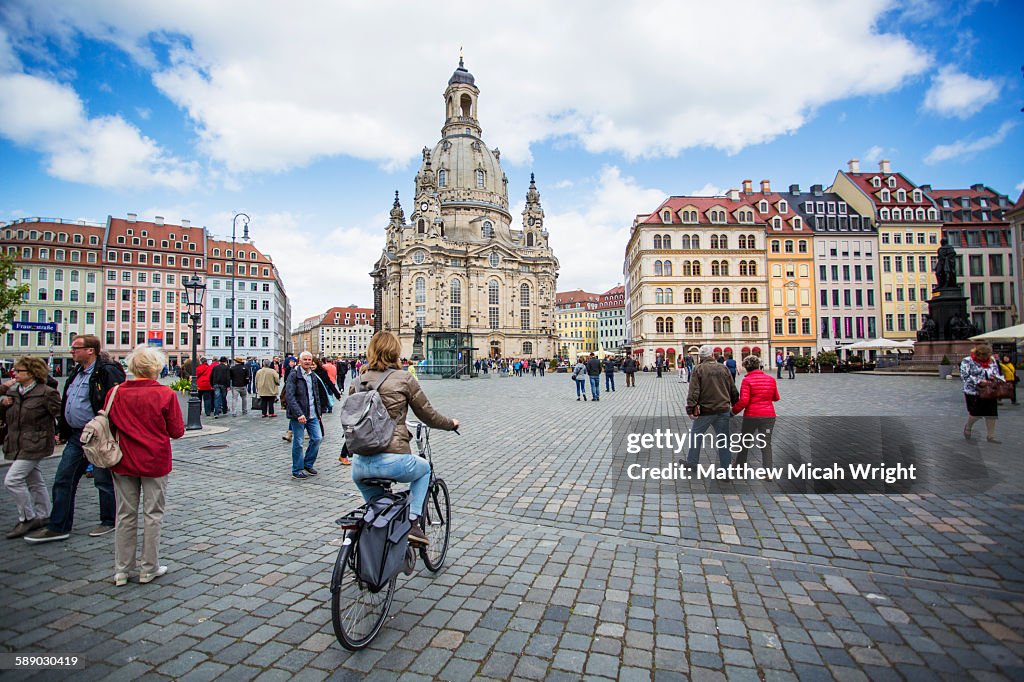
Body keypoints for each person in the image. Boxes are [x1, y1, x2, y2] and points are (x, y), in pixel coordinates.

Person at [350, 331, 458, 546]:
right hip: (393, 459)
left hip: (360, 464)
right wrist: (451, 424)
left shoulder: (357, 381)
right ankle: (413, 522)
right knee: (425, 469)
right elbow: (428, 415)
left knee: (379, 512)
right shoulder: (404, 379)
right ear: (396, 352)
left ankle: (374, 557)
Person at [25, 335, 124, 543]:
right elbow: (67, 401)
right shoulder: (77, 372)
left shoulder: (106, 371)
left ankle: (109, 520)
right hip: (77, 434)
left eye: (76, 348)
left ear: (90, 350)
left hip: (98, 434)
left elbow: (117, 400)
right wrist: (63, 428)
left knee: (103, 480)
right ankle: (58, 525)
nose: (72, 351)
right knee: (63, 478)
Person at [106, 345, 185, 585]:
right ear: (157, 368)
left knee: (125, 515)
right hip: (154, 460)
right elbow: (177, 431)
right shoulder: (165, 394)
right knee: (153, 515)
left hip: (123, 460)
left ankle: (121, 569)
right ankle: (148, 568)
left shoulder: (115, 392)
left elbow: (108, 425)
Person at [2, 357, 61, 539]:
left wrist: (58, 433)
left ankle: (27, 517)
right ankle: (44, 514)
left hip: (36, 443)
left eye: (19, 371)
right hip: (18, 442)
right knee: (34, 479)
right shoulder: (13, 392)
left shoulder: (46, 393)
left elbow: (59, 414)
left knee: (12, 480)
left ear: (31, 373)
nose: (15, 373)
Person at [685, 345, 739, 469]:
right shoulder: (724, 368)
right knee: (724, 441)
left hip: (706, 410)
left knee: (696, 434)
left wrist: (691, 408)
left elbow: (694, 391)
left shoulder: (698, 369)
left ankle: (693, 462)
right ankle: (726, 468)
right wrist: (735, 404)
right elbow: (732, 388)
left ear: (701, 357)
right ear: (713, 355)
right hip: (723, 409)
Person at [731, 355, 780, 468]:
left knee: (745, 441)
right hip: (769, 416)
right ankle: (768, 471)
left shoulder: (747, 380)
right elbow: (776, 397)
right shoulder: (771, 379)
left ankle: (740, 465)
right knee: (766, 443)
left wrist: (733, 412)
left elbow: (744, 401)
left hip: (751, 416)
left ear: (747, 368)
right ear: (758, 366)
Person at [285, 352, 324, 480]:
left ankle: (307, 463)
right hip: (299, 415)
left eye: (309, 359)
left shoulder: (312, 375)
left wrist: (319, 413)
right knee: (299, 442)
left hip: (312, 414)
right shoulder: (294, 375)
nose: (307, 362)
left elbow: (315, 395)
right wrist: (299, 414)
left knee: (317, 438)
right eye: (305, 359)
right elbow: (290, 396)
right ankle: (297, 469)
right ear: (300, 361)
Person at [960, 343, 1006, 443]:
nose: (986, 359)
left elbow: (997, 373)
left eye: (988, 356)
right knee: (976, 413)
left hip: (990, 390)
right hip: (973, 392)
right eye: (984, 356)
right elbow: (965, 376)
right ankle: (968, 427)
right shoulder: (967, 361)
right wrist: (979, 381)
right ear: (978, 354)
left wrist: (998, 379)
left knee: (991, 413)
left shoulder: (992, 360)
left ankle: (991, 436)